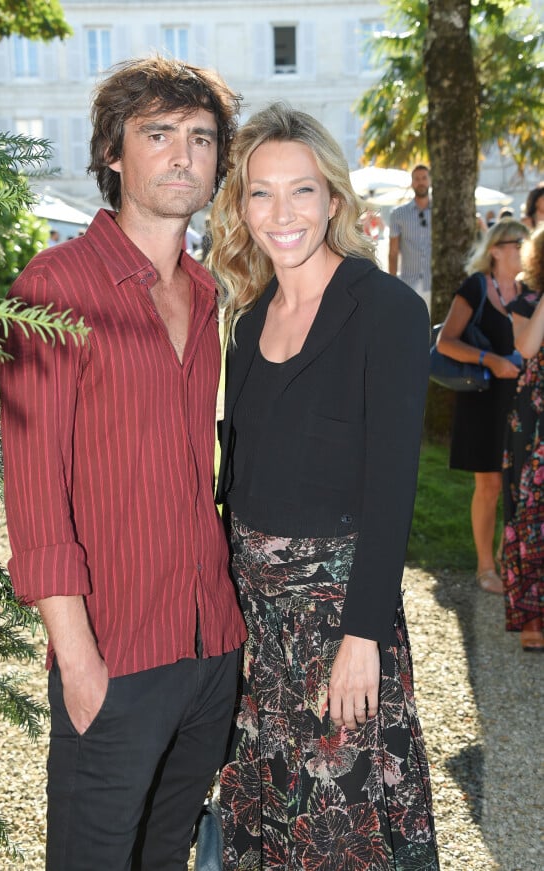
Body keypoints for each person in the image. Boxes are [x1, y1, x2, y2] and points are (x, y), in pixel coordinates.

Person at [0, 55, 247, 871]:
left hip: (210, 648)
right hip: (115, 651)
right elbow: (35, 494)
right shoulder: (54, 286)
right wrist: (78, 659)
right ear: (113, 152)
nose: (184, 156)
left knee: (164, 857)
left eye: (202, 139)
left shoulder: (208, 293)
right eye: (159, 134)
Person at [210, 103, 439, 869]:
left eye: (301, 191)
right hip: (257, 632)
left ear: (334, 200)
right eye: (261, 192)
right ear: (240, 205)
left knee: (339, 830)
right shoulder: (247, 317)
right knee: (266, 819)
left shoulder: (387, 313)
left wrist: (363, 637)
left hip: (336, 625)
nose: (283, 213)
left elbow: (393, 485)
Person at [437, 220, 530, 594]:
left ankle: (511, 561)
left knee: (520, 487)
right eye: (518, 243)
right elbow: (445, 342)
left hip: (522, 400)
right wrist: (491, 360)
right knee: (490, 485)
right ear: (496, 248)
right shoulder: (476, 286)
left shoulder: (531, 290)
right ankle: (485, 566)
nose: (525, 249)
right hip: (484, 399)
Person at [501, 225, 544, 651]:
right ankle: (532, 617)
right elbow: (527, 348)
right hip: (535, 418)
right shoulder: (526, 300)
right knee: (531, 511)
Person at [388, 164, 432, 308]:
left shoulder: (440, 212)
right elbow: (393, 253)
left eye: (424, 178)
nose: (421, 182)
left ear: (430, 181)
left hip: (435, 284)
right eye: (417, 179)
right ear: (412, 182)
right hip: (409, 284)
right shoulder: (398, 214)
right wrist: (392, 285)